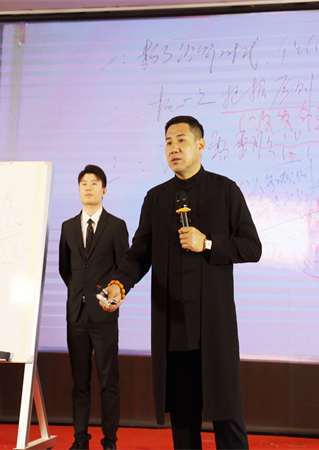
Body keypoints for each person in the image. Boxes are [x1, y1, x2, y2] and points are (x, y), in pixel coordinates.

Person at [100, 116, 262, 449]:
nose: (174, 148)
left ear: (200, 145)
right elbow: (138, 254)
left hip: (213, 328)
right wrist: (119, 284)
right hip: (173, 329)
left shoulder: (225, 190)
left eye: (181, 140)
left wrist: (208, 243)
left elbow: (252, 247)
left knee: (227, 417)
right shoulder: (156, 198)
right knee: (183, 423)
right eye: (168, 142)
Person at [59, 165, 129, 450]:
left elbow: (123, 268)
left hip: (104, 316)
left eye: (94, 183)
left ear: (104, 190)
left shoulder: (116, 226)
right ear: (78, 190)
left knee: (108, 382)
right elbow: (65, 269)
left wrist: (105, 296)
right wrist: (80, 294)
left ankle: (109, 441)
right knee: (79, 383)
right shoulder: (67, 227)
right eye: (83, 184)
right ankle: (80, 440)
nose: (88, 188)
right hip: (76, 316)